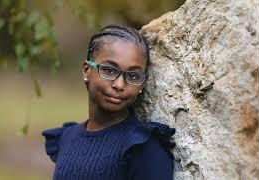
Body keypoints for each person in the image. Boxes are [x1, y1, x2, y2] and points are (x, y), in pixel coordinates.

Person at [42, 24, 176, 180]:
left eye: (133, 76)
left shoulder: (141, 147)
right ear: (87, 70)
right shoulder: (67, 138)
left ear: (142, 85)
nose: (119, 85)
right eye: (110, 70)